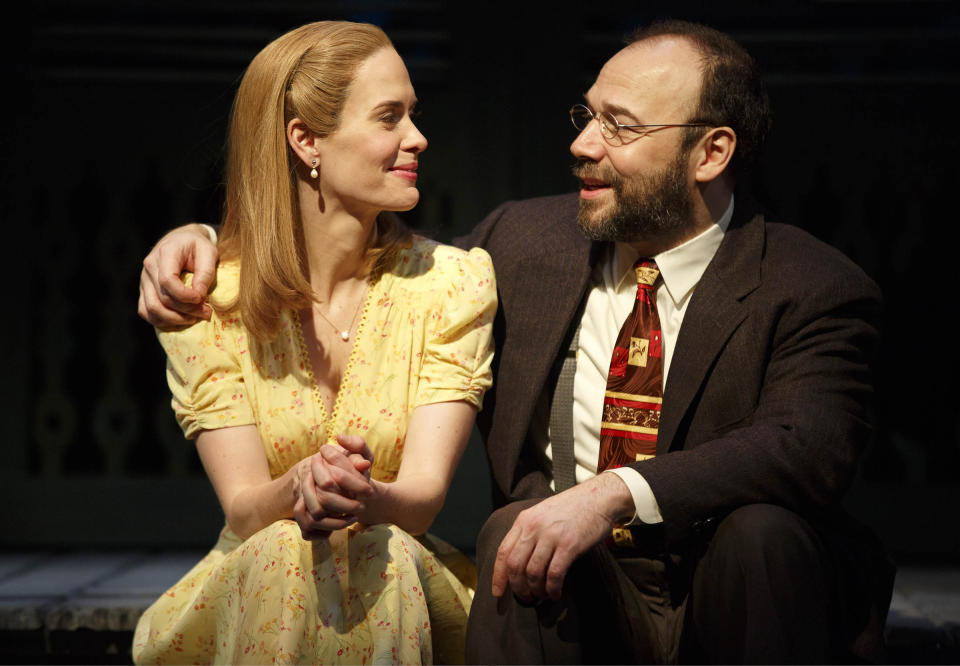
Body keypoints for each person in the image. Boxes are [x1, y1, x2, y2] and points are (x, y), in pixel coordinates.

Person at [140, 20, 892, 665]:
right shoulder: (522, 244)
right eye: (586, 115)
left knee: (760, 536)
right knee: (513, 530)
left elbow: (803, 448)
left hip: (735, 593)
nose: (584, 144)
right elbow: (385, 278)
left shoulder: (812, 284)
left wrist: (612, 495)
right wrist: (203, 239)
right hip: (575, 591)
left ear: (711, 153)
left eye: (620, 126)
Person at [132, 20, 496, 665]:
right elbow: (246, 511)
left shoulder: (450, 284)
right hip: (258, 579)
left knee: (375, 547)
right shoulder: (209, 298)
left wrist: (365, 497)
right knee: (278, 550)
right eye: (389, 117)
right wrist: (297, 487)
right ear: (306, 140)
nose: (418, 137)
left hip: (395, 572)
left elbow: (419, 501)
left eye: (413, 114)